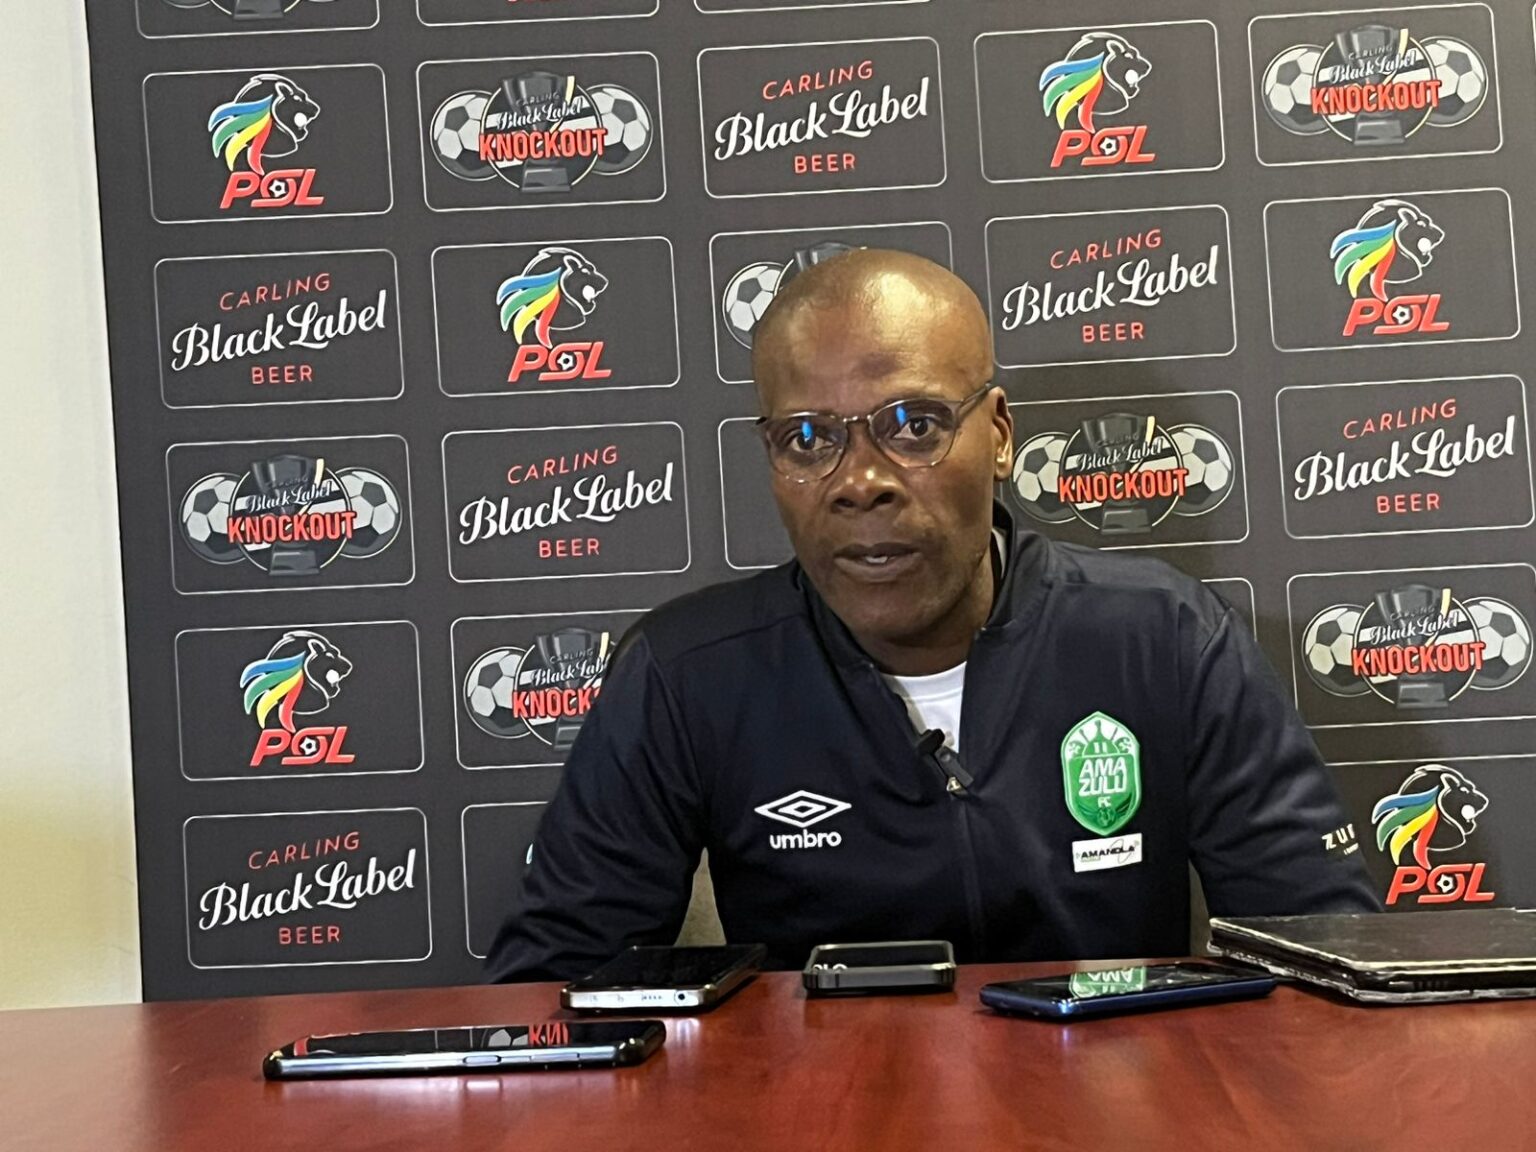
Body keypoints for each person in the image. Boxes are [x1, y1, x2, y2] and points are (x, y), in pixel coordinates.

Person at [485, 249, 1378, 982]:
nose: (860, 482)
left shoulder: (1166, 638)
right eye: (808, 439)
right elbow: (553, 996)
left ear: (999, 436)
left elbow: (1328, 959)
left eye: (913, 425)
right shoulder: (686, 674)